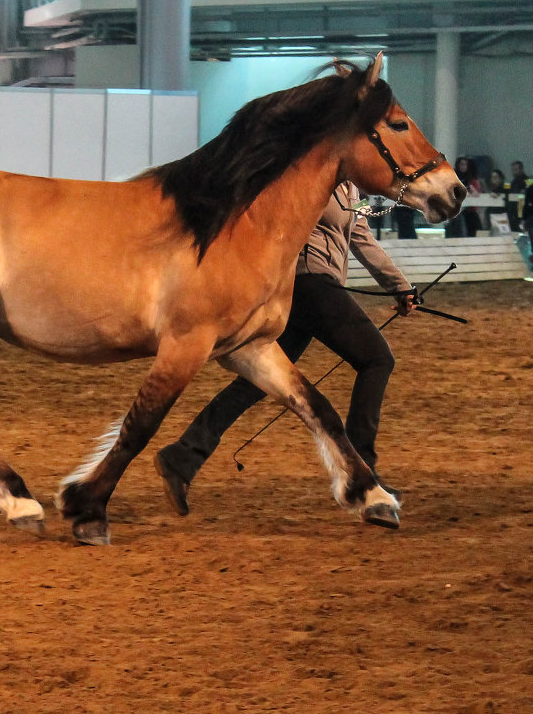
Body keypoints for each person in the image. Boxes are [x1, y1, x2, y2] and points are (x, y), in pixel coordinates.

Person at [153, 182, 416, 516]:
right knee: (377, 359)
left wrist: (400, 286)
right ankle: (363, 470)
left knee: (256, 381)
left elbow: (361, 237)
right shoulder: (315, 178)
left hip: (320, 285)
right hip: (308, 283)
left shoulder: (350, 190)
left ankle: (183, 455)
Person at [448, 156, 483, 238]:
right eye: (462, 164)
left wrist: (469, 193)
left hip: (467, 211)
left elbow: (476, 194)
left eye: (465, 165)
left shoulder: (468, 179)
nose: (464, 167)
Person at [507, 161, 529, 233]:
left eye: (516, 170)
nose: (514, 172)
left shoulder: (528, 180)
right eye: (513, 170)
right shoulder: (513, 182)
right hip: (513, 211)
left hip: (522, 211)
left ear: (521, 169)